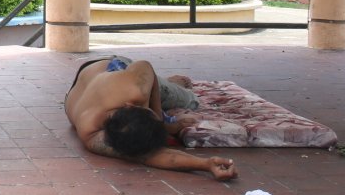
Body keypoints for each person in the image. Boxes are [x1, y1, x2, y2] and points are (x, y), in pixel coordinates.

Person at [65, 56, 238, 180]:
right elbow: (147, 155)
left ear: (132, 105)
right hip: (82, 85)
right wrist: (205, 164)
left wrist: (163, 120)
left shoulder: (135, 89)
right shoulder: (91, 133)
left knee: (189, 99)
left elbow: (145, 66)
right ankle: (169, 84)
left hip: (113, 66)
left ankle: (172, 84)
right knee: (191, 101)